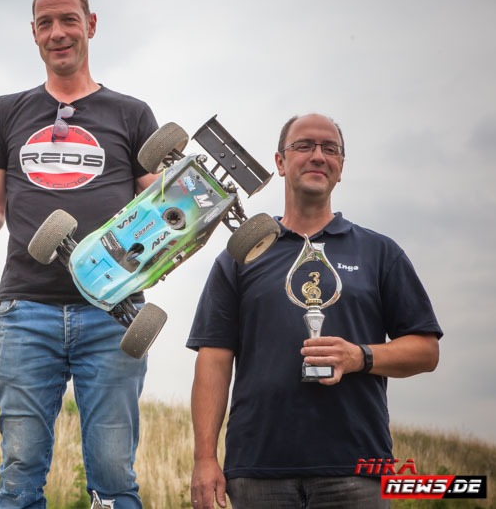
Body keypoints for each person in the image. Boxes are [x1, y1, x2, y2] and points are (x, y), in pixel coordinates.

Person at [0, 0, 158, 508]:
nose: (58, 33)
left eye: (68, 20)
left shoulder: (131, 114)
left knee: (113, 473)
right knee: (20, 471)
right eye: (45, 23)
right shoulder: (7, 112)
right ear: (33, 33)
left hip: (114, 312)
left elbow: (161, 208)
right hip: (26, 310)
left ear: (90, 25)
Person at [187, 113, 443, 509]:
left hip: (359, 471)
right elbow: (214, 359)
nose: (318, 156)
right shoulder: (241, 255)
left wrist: (359, 356)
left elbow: (426, 351)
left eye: (330, 149)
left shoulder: (379, 253)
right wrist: (204, 458)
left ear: (341, 167)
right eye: (304, 146)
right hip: (257, 471)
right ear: (280, 162)